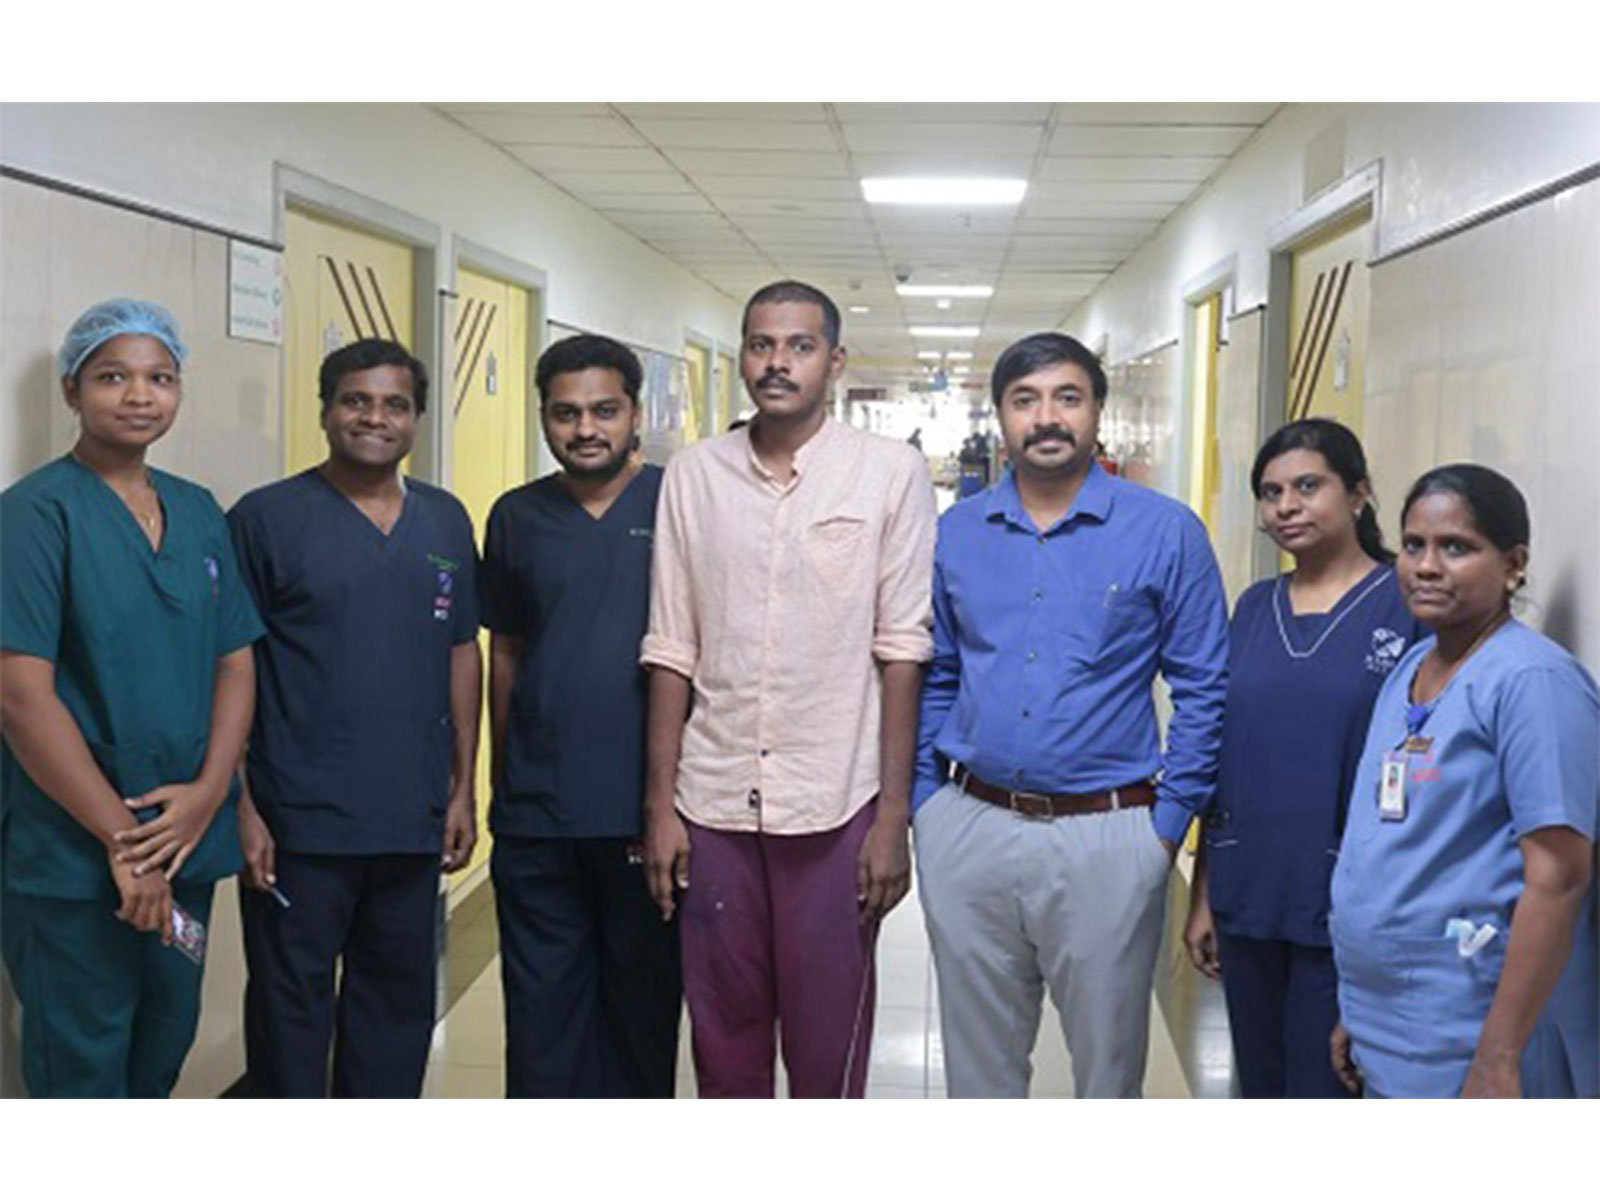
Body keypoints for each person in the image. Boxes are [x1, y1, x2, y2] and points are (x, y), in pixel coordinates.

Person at [640, 280, 936, 1098]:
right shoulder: (695, 475)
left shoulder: (888, 473)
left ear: (834, 362)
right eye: (762, 345)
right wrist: (659, 808)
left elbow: (903, 649)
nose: (778, 363)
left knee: (826, 1047)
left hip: (836, 803)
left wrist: (892, 817)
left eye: (799, 346)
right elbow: (670, 647)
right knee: (723, 1044)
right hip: (714, 801)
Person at [914, 331, 1228, 1098]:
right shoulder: (955, 532)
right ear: (999, 417)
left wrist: (1165, 828)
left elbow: (1205, 687)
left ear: (1097, 413)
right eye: (1025, 400)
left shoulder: (1165, 531)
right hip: (970, 825)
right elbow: (937, 673)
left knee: (1107, 1074)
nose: (1046, 417)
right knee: (978, 1075)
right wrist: (929, 805)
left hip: (1109, 834)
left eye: (1066, 397)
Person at [0, 298, 263, 1097]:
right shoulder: (34, 515)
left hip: (183, 838)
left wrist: (211, 792)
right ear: (74, 390)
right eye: (113, 376)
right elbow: (20, 696)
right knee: (82, 1064)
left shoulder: (196, 509)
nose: (140, 395)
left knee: (163, 1042)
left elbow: (235, 661)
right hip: (76, 852)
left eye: (161, 377)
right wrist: (123, 841)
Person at [228, 338, 482, 1098]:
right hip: (297, 823)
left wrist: (464, 788)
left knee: (397, 1009)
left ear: (418, 419)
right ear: (326, 409)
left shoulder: (442, 520)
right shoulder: (265, 520)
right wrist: (240, 806)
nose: (374, 417)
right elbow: (228, 668)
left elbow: (460, 653)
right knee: (290, 1015)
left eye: (395, 404)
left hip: (409, 817)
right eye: (355, 400)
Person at [1329, 464, 1597, 1098]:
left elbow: (1559, 878)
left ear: (1514, 563)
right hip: (1394, 1026)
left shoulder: (1534, 684)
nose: (1426, 566)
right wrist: (1361, 1010)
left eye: (1457, 547)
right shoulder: (1413, 668)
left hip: (1475, 1036)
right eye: (1414, 544)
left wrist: (1498, 1058)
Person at [1182, 419, 1422, 1097]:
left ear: (1360, 493)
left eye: (1307, 486)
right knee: (1259, 1087)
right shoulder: (1255, 608)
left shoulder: (1408, 606)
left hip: (1352, 907)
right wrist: (1204, 893)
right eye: (1271, 492)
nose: (1286, 505)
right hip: (1249, 894)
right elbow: (1226, 757)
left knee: (1328, 1087)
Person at [480, 333, 681, 1097]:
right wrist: (503, 779)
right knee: (541, 1018)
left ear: (635, 413)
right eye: (566, 414)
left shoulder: (676, 499)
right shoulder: (516, 516)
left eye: (604, 410)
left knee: (640, 1016)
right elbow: (507, 652)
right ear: (543, 418)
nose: (585, 428)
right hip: (539, 816)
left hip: (648, 812)